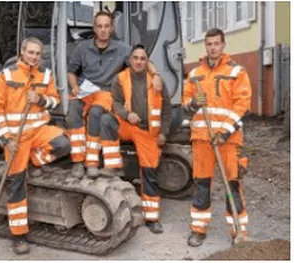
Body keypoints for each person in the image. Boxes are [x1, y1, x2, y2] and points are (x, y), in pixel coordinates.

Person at [0, 37, 71, 255]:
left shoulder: (45, 74)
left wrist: (41, 100)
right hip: (15, 138)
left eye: (37, 53)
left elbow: (54, 100)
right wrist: (7, 138)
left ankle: (33, 162)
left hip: (38, 131)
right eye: (30, 52)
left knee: (63, 144)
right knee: (16, 185)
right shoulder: (7, 75)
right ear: (22, 52)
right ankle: (18, 236)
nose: (34, 57)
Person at [182, 28, 251, 247]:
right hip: (202, 139)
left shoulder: (236, 71)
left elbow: (243, 106)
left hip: (227, 141)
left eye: (216, 43)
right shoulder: (195, 74)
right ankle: (198, 229)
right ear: (206, 46)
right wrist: (194, 103)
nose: (213, 48)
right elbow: (185, 106)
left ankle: (239, 231)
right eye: (209, 44)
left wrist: (225, 132)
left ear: (223, 45)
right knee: (202, 185)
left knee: (232, 185)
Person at [104, 45, 170, 234]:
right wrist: (127, 114)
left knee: (149, 172)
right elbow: (115, 102)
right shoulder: (121, 78)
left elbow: (166, 110)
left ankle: (152, 218)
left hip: (147, 132)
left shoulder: (157, 81)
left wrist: (163, 133)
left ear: (147, 61)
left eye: (143, 58)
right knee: (106, 120)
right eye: (136, 58)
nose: (139, 61)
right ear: (130, 60)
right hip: (128, 124)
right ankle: (113, 166)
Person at [66, 11, 134, 177]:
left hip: (105, 92)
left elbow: (142, 61)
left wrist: (156, 75)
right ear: (94, 28)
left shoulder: (122, 49)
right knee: (73, 109)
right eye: (99, 26)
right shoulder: (82, 48)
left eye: (106, 26)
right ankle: (77, 161)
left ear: (111, 29)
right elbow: (71, 72)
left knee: (96, 112)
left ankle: (92, 163)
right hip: (85, 90)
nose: (103, 30)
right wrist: (74, 86)